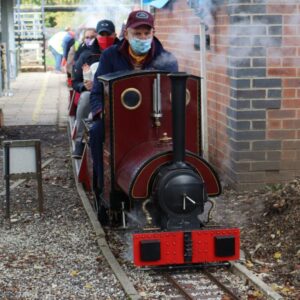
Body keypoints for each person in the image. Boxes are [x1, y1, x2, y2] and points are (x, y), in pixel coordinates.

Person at [89, 10, 178, 219]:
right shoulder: (111, 55)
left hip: (154, 119)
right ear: (127, 34)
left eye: (147, 33)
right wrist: (104, 114)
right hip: (117, 120)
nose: (143, 38)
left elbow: (172, 95)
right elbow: (96, 93)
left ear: (153, 32)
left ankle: (171, 185)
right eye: (137, 33)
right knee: (96, 133)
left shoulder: (166, 58)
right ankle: (103, 191)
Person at [72, 21, 118, 159]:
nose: (104, 37)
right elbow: (75, 81)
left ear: (115, 35)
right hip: (94, 92)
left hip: (117, 91)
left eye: (107, 34)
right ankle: (80, 141)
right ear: (97, 36)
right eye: (101, 34)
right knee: (85, 98)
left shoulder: (121, 52)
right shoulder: (87, 55)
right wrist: (83, 86)